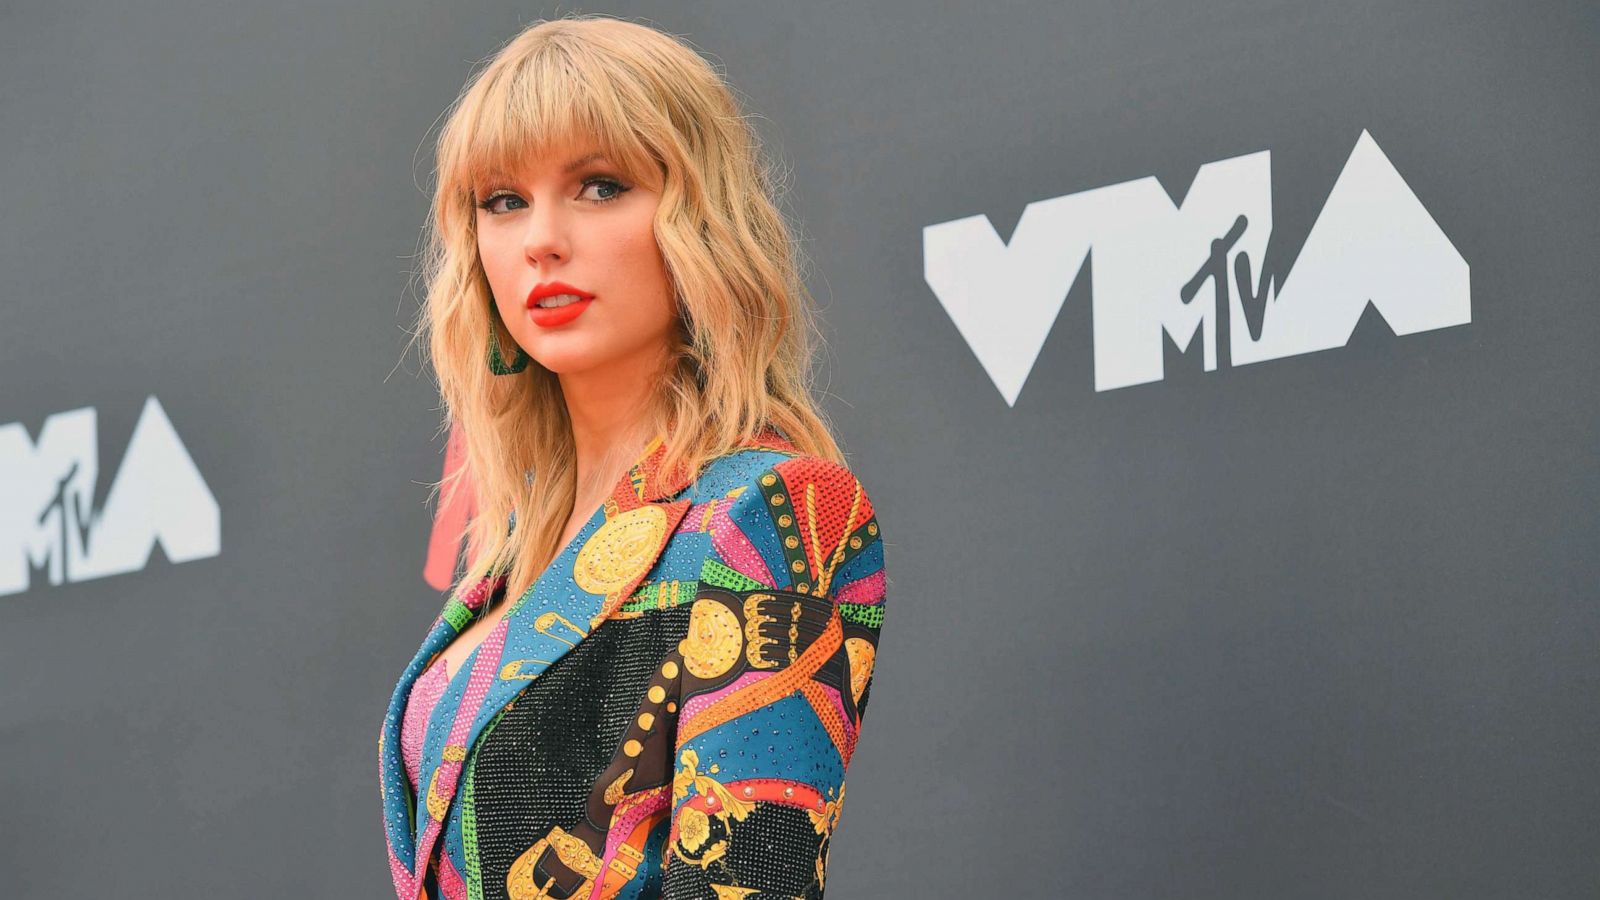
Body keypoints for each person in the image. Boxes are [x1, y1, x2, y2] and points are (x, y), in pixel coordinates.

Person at [375, 15, 888, 900]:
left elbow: (747, 884)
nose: (540, 237)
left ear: (699, 216)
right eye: (503, 201)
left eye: (599, 186)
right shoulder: (509, 559)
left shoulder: (772, 511)